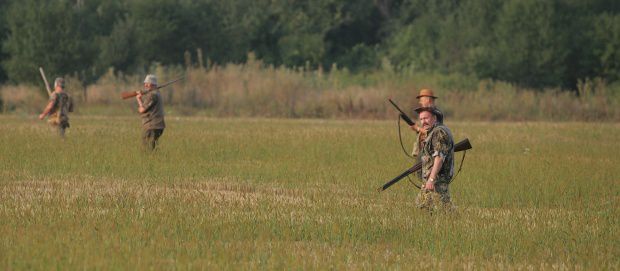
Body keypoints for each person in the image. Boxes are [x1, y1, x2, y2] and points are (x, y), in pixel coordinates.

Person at [413, 106, 455, 212]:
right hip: (432, 181)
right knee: (423, 208)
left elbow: (439, 158)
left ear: (434, 118)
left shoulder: (438, 132)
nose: (423, 121)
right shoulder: (434, 131)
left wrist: (431, 179)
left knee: (445, 211)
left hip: (436, 181)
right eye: (421, 119)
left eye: (426, 118)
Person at [136, 74, 165, 150]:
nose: (145, 85)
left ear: (151, 84)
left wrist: (139, 99)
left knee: (147, 149)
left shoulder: (152, 95)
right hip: (158, 126)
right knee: (152, 148)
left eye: (147, 83)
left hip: (152, 126)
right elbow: (146, 107)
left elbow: (142, 110)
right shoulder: (157, 93)